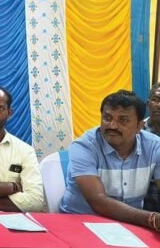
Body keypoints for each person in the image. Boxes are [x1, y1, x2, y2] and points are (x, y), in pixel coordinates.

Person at [60, 90, 160, 232]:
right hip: (81, 224)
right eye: (107, 118)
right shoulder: (84, 146)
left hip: (132, 227)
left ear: (139, 126)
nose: (112, 126)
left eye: (123, 120)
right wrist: (152, 219)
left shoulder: (155, 146)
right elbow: (98, 200)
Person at [142, 82, 160, 212]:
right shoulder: (136, 132)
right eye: (155, 99)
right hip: (143, 208)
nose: (159, 105)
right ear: (148, 103)